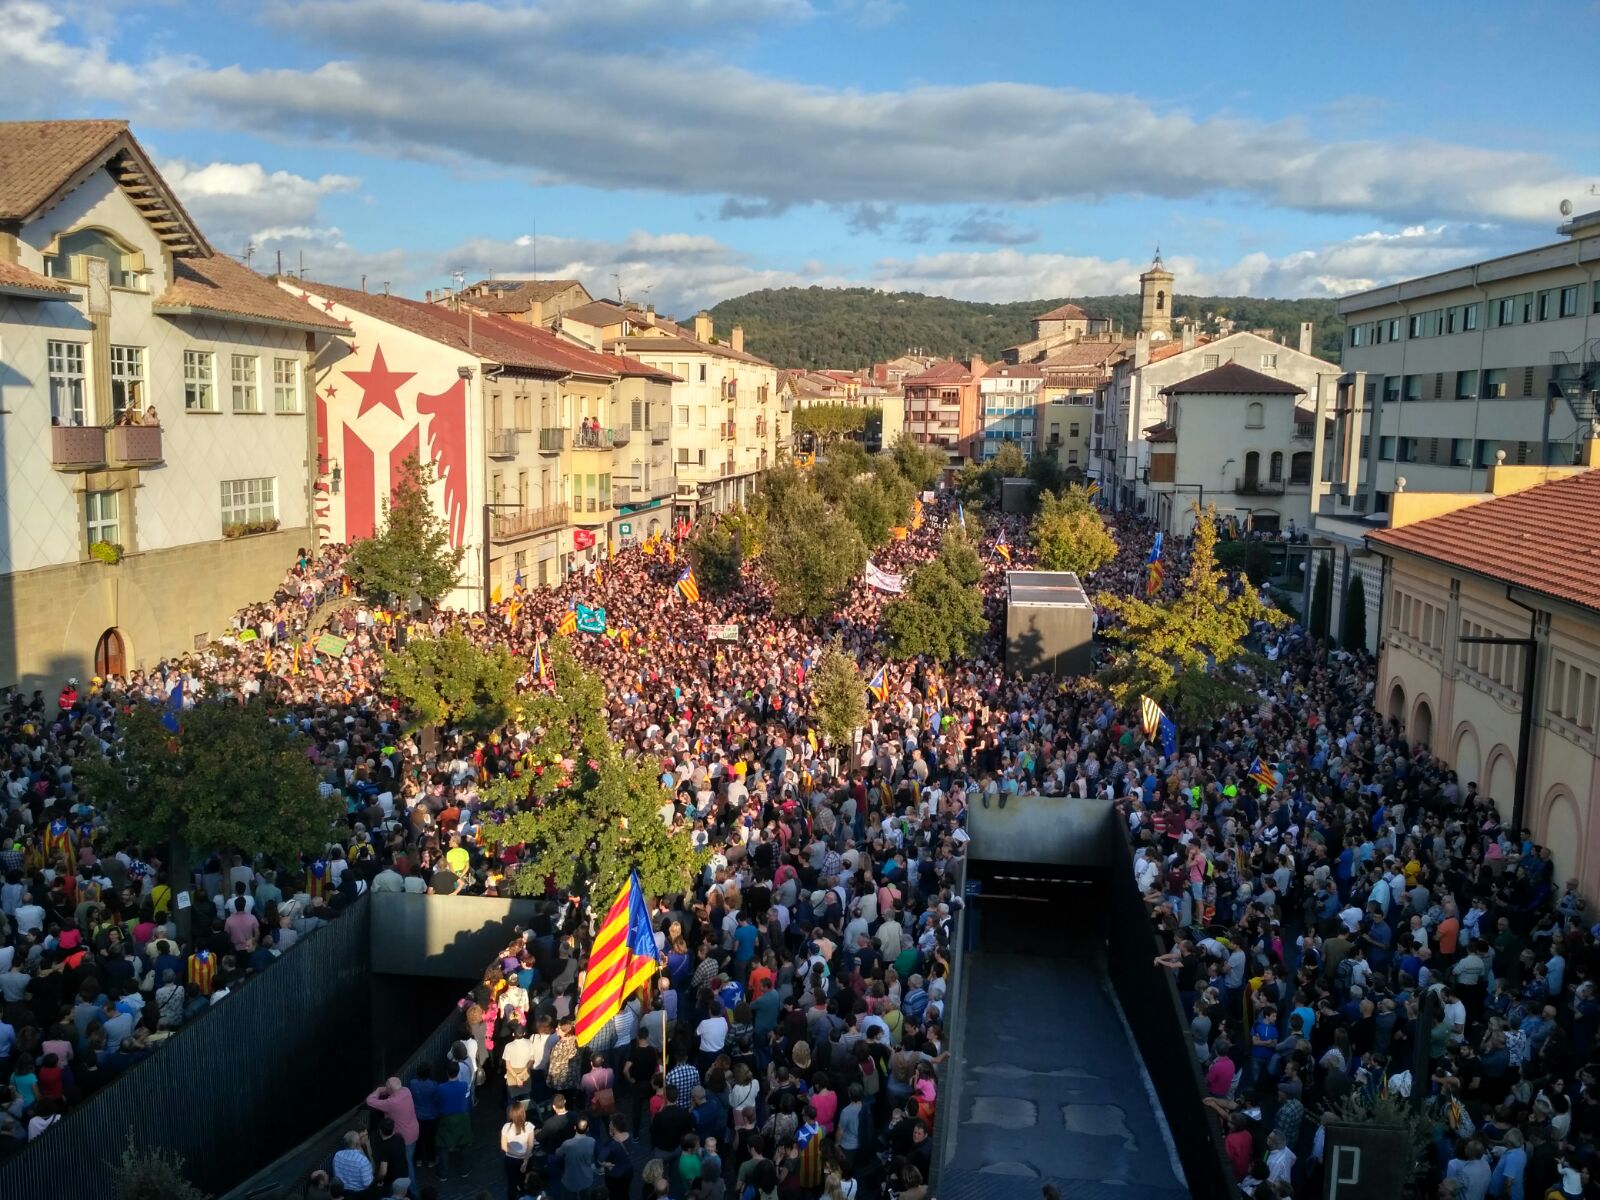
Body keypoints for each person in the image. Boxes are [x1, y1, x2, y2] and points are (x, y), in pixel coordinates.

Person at [501, 1099, 536, 1200]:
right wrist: (524, 1160)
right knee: (525, 1181)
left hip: (511, 1160)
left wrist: (517, 1154)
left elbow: (504, 1147)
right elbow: (530, 1145)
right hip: (527, 1159)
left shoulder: (506, 1127)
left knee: (511, 1183)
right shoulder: (529, 1126)